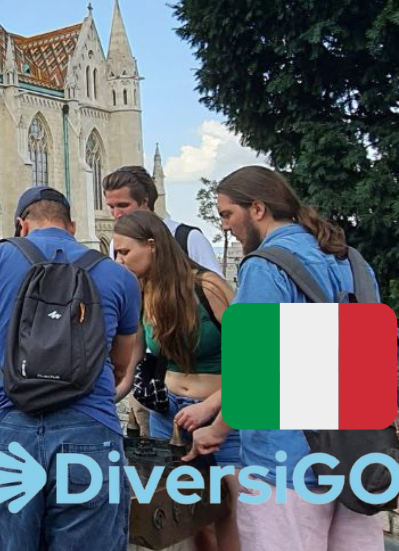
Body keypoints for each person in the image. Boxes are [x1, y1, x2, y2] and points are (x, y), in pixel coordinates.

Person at [187, 166, 385, 551]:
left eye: (227, 214)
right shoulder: (351, 261)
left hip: (288, 460)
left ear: (257, 209)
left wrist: (214, 431)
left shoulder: (266, 267)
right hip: (359, 453)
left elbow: (255, 372)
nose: (225, 226)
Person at [0, 185, 140, 551]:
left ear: (22, 225)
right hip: (89, 429)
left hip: (11, 428)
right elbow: (119, 362)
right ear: (72, 226)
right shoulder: (119, 276)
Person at [111, 210, 239, 551]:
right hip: (169, 414)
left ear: (151, 246)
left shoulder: (208, 286)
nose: (119, 260)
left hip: (223, 412)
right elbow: (139, 350)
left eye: (125, 252)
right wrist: (114, 393)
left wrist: (211, 406)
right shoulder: (142, 290)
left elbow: (256, 360)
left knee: (230, 509)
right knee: (187, 512)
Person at [103, 165, 224, 275]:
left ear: (145, 202)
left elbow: (219, 290)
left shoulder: (188, 238)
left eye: (123, 205)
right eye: (111, 207)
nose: (116, 214)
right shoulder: (116, 243)